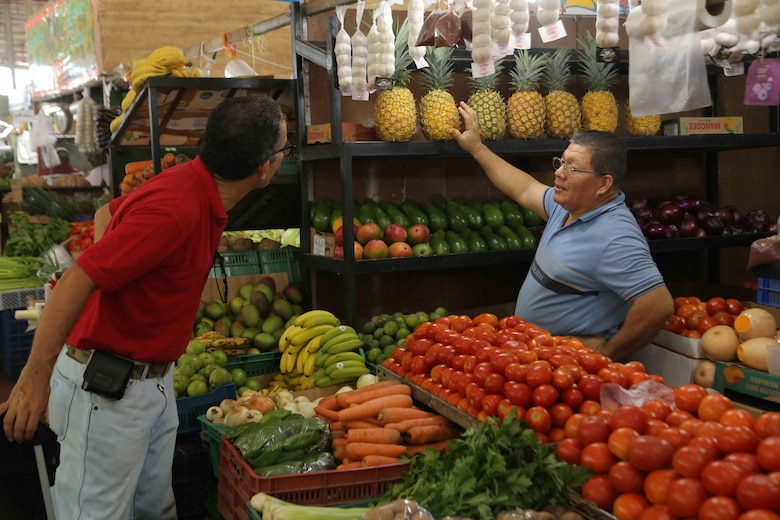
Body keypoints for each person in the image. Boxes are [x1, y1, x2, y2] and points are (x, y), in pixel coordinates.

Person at [0, 94, 289, 519]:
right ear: (264, 166)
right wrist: (34, 375)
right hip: (108, 392)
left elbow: (105, 214)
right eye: (285, 149)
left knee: (154, 508)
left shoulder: (192, 185)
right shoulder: (176, 210)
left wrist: (126, 284)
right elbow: (78, 277)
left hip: (151, 384)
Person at [451, 102, 674, 361]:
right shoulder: (566, 207)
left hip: (571, 372)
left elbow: (658, 305)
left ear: (604, 183)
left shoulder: (615, 236)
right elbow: (523, 188)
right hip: (539, 360)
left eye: (572, 167)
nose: (558, 172)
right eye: (561, 162)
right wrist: (477, 148)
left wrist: (605, 353)